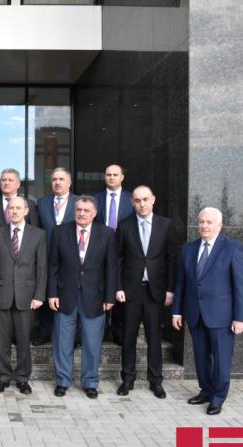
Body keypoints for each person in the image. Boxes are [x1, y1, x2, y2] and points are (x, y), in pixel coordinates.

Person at [172, 207, 243, 416]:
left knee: (221, 359)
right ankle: (205, 391)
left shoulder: (232, 248)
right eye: (201, 222)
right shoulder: (189, 248)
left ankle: (218, 397)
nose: (204, 226)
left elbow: (241, 286)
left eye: (209, 222)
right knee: (201, 357)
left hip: (221, 316)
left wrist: (240, 318)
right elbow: (181, 283)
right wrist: (177, 311)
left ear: (219, 225)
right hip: (195, 314)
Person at [48, 195, 116, 399]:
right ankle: (62, 381)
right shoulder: (60, 232)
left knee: (92, 343)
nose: (81, 214)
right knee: (63, 342)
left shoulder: (107, 234)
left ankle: (90, 382)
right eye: (78, 210)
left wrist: (109, 297)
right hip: (65, 295)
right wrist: (52, 293)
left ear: (94, 213)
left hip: (95, 297)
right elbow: (53, 265)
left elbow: (111, 268)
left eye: (86, 210)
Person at [115, 186, 175, 399]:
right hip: (131, 291)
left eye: (145, 199)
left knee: (154, 338)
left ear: (153, 200)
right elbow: (118, 259)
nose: (142, 204)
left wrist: (170, 289)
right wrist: (118, 287)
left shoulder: (165, 225)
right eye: (138, 200)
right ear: (132, 202)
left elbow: (171, 259)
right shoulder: (124, 225)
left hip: (155, 291)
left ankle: (155, 381)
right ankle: (127, 379)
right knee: (128, 337)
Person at [0, 196, 46, 395]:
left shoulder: (38, 235)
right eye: (11, 208)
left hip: (27, 295)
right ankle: (3, 377)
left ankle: (22, 378)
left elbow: (41, 268)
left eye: (18, 208)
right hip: (2, 293)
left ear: (26, 211)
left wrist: (39, 295)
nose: (14, 211)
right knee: (2, 341)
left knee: (23, 340)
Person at [34, 167, 78, 346]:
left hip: (71, 256)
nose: (57, 183)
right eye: (54, 179)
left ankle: (73, 335)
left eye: (61, 179)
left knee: (70, 294)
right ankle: (45, 331)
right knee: (47, 291)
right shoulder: (42, 202)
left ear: (69, 182)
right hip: (46, 254)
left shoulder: (78, 202)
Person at [94, 163, 134, 345]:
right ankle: (101, 331)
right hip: (99, 249)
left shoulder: (131, 199)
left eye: (115, 174)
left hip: (124, 250)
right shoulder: (96, 199)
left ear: (122, 177)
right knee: (100, 287)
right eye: (108, 174)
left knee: (119, 287)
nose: (111, 177)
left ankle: (118, 331)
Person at [0, 168, 39, 233]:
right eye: (3, 180)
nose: (6, 183)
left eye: (10, 180)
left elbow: (34, 231)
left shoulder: (29, 204)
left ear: (18, 184)